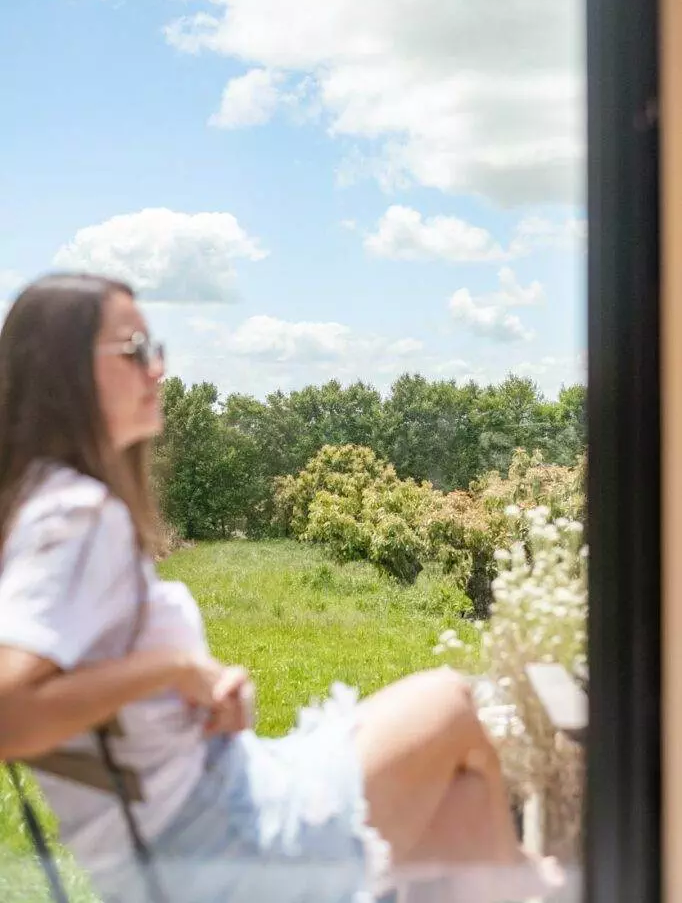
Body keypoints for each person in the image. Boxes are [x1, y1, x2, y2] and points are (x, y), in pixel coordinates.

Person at [0, 274, 563, 903]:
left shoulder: (48, 507)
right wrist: (172, 667)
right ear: (63, 374)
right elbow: (10, 713)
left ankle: (523, 884)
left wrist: (194, 682)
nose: (158, 369)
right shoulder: (77, 515)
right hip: (215, 845)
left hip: (205, 816)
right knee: (454, 701)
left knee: (460, 798)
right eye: (135, 350)